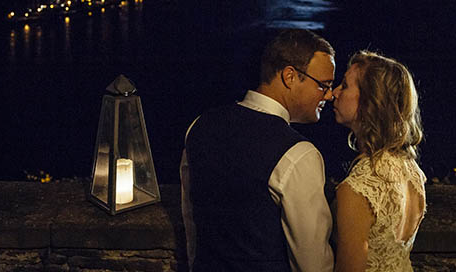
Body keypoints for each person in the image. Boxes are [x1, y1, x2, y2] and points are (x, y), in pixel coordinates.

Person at [180, 28, 336, 272]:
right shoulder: (298, 153)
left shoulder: (198, 126)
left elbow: (192, 224)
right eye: (323, 85)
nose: (329, 95)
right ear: (290, 77)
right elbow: (313, 264)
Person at [330, 51, 426, 272]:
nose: (334, 93)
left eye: (344, 86)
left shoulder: (358, 187)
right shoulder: (413, 172)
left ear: (369, 100)